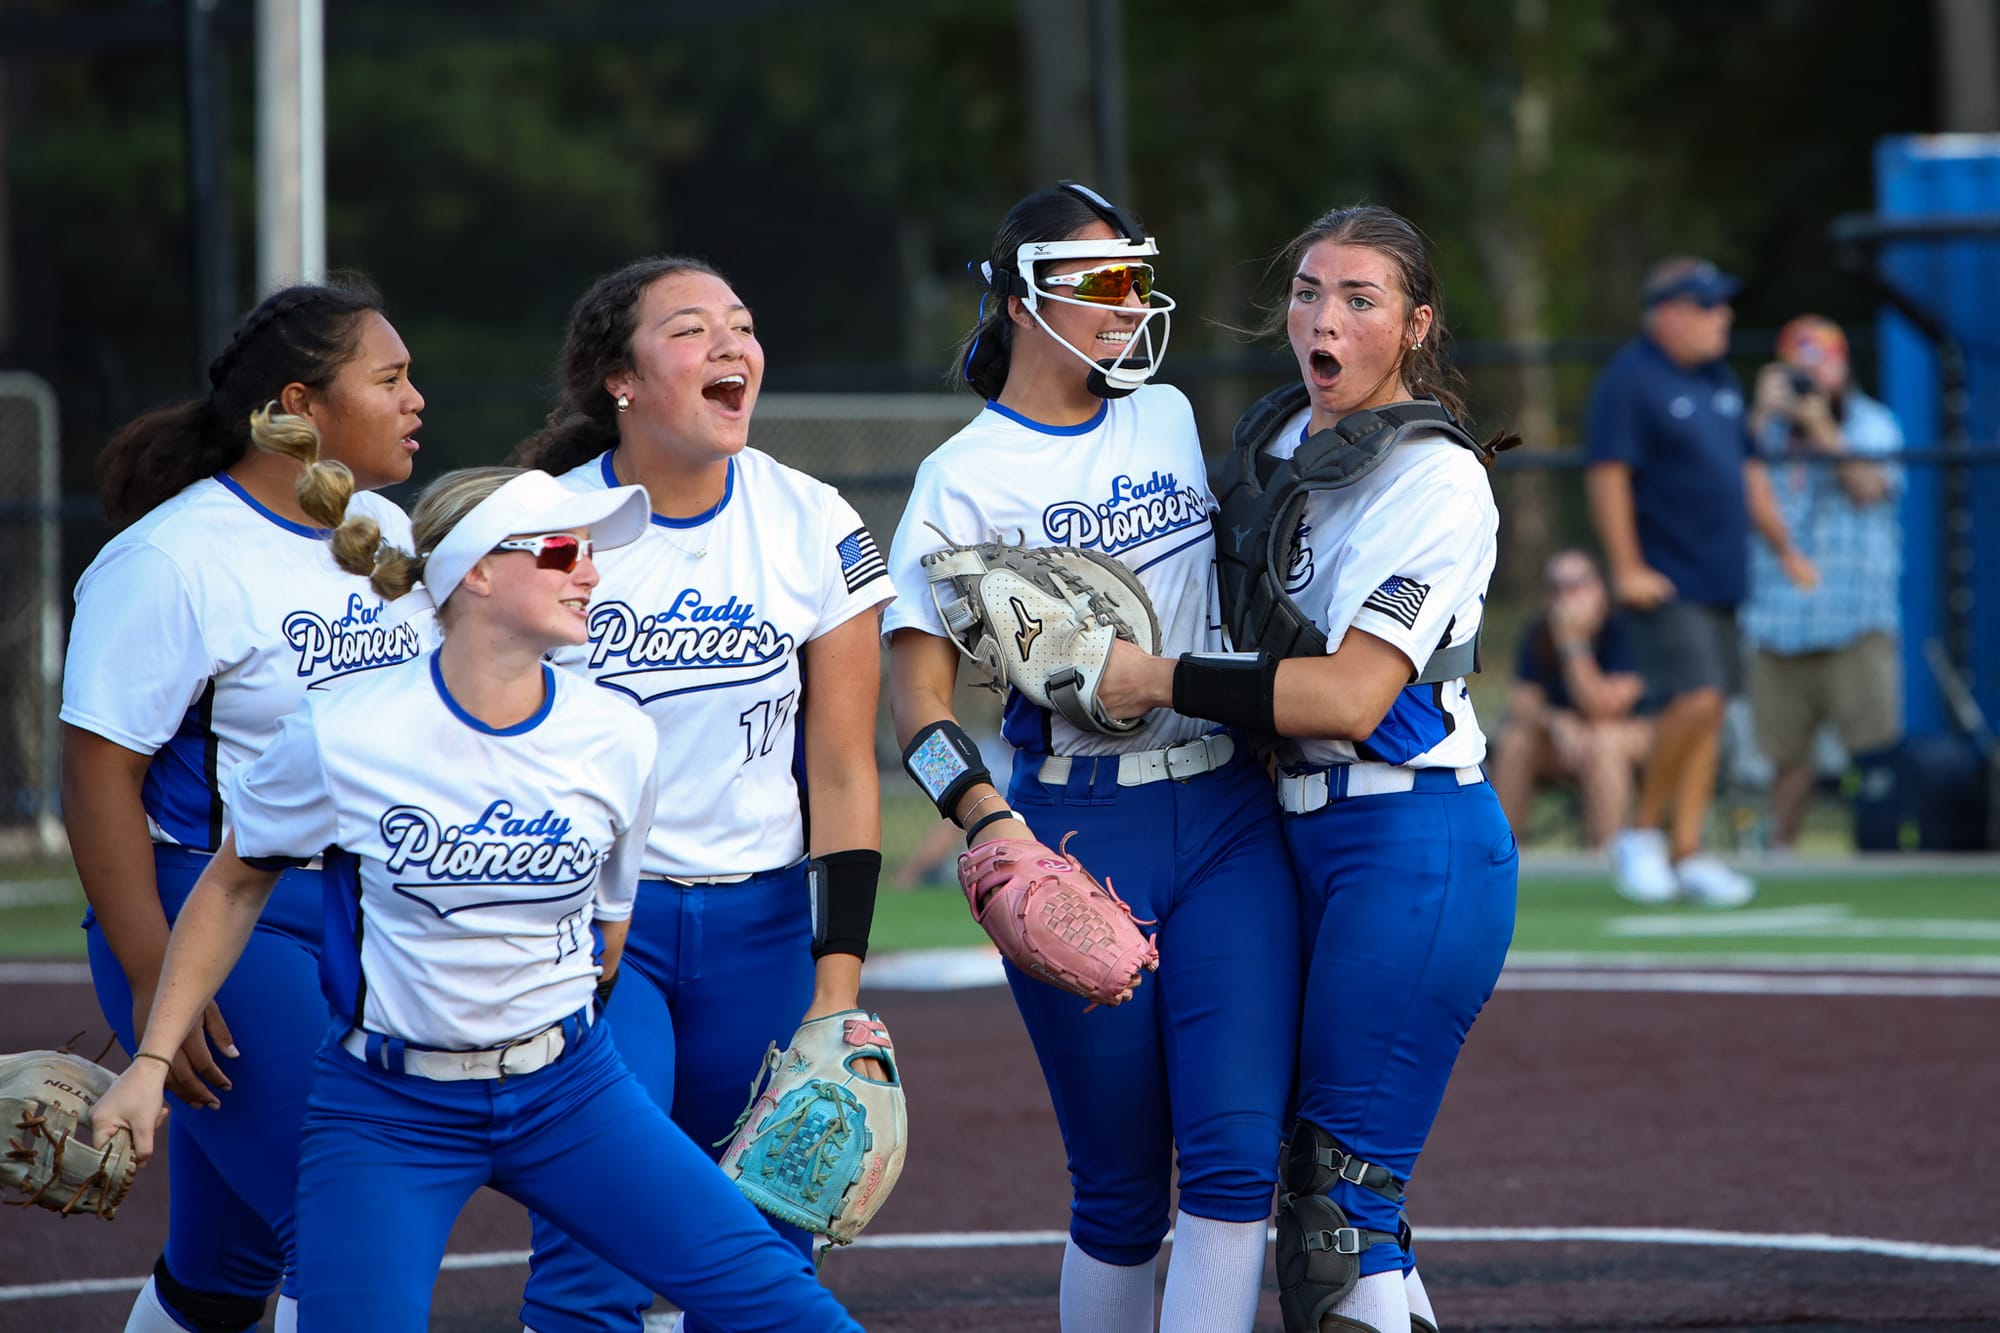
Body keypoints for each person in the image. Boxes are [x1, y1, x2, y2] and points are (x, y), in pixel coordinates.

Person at [87, 465, 866, 1333]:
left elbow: (607, 938)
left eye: (594, 554)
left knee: (792, 1310)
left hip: (569, 1092)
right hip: (388, 1111)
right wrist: (150, 1064)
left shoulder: (614, 738)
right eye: (565, 550)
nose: (593, 574)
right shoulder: (346, 730)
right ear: (477, 572)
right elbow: (232, 887)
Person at [885, 182, 1303, 1333]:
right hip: (1073, 827)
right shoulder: (958, 480)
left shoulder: (1163, 412)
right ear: (1023, 300)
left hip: (1223, 812)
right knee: (1118, 1188)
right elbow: (912, 711)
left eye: (1136, 278)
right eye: (1101, 282)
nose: (1131, 304)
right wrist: (982, 821)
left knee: (1230, 1164)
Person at [1097, 203, 1519, 1333]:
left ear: (1415, 325)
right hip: (1289, 834)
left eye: (1358, 299)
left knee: (1339, 1209)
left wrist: (1155, 678)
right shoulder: (1276, 442)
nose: (1319, 319)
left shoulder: (1436, 480)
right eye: (1306, 293)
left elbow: (1344, 697)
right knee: (1314, 1193)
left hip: (1410, 842)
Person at [508, 256, 895, 1333]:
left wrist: (838, 985)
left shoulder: (811, 519)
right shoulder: (544, 528)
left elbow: (841, 764)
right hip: (590, 928)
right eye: (690, 330)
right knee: (592, 1252)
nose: (731, 346)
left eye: (741, 326)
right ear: (617, 380)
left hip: (762, 926)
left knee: (770, 1252)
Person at [59, 280, 429, 1333]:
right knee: (349, 1224)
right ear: (302, 404)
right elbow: (97, 778)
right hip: (222, 916)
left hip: (362, 911)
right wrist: (151, 982)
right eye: (389, 378)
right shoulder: (171, 558)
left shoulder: (377, 527)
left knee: (226, 1260)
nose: (415, 400)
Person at [1585, 257, 1816, 906]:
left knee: (1711, 715)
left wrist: (1786, 549)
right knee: (1695, 700)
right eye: (1709, 307)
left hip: (1722, 574)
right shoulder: (1630, 380)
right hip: (1666, 573)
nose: (1724, 318)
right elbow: (1608, 474)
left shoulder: (1718, 380)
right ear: (1670, 313)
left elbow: (1747, 473)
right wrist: (1626, 565)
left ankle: (1687, 850)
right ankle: (1639, 833)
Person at [1742, 315, 1905, 852]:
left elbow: (1869, 487)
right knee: (1784, 762)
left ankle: (1880, 860)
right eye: (1800, 373)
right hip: (1777, 622)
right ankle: (1779, 858)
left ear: (1844, 367)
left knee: (1874, 757)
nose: (1812, 382)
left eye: (1822, 369)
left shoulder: (1872, 424)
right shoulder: (1760, 430)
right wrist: (1763, 412)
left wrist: (1819, 426)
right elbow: (1726, 486)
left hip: (1854, 621)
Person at [1490, 549, 1652, 849]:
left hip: (1631, 734)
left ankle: (1608, 859)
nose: (1566, 596)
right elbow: (1522, 702)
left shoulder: (1623, 630)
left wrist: (1573, 644)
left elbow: (1605, 708)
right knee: (1516, 742)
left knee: (1603, 741)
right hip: (1565, 743)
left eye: (1577, 584)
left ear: (1599, 588)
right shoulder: (1539, 633)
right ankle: (1503, 855)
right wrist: (1555, 721)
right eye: (1556, 587)